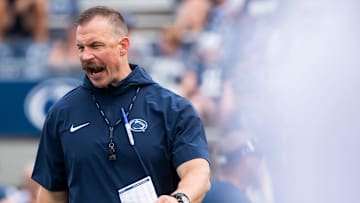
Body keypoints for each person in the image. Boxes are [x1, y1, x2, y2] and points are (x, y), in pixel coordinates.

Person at [31, 5, 211, 203]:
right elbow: (52, 193)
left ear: (123, 46)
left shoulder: (173, 109)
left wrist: (180, 199)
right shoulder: (62, 113)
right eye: (81, 48)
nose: (85, 56)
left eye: (96, 46)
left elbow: (197, 172)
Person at [203, 132, 274, 203]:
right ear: (247, 159)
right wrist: (266, 187)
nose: (261, 164)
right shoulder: (235, 198)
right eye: (259, 157)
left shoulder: (212, 190)